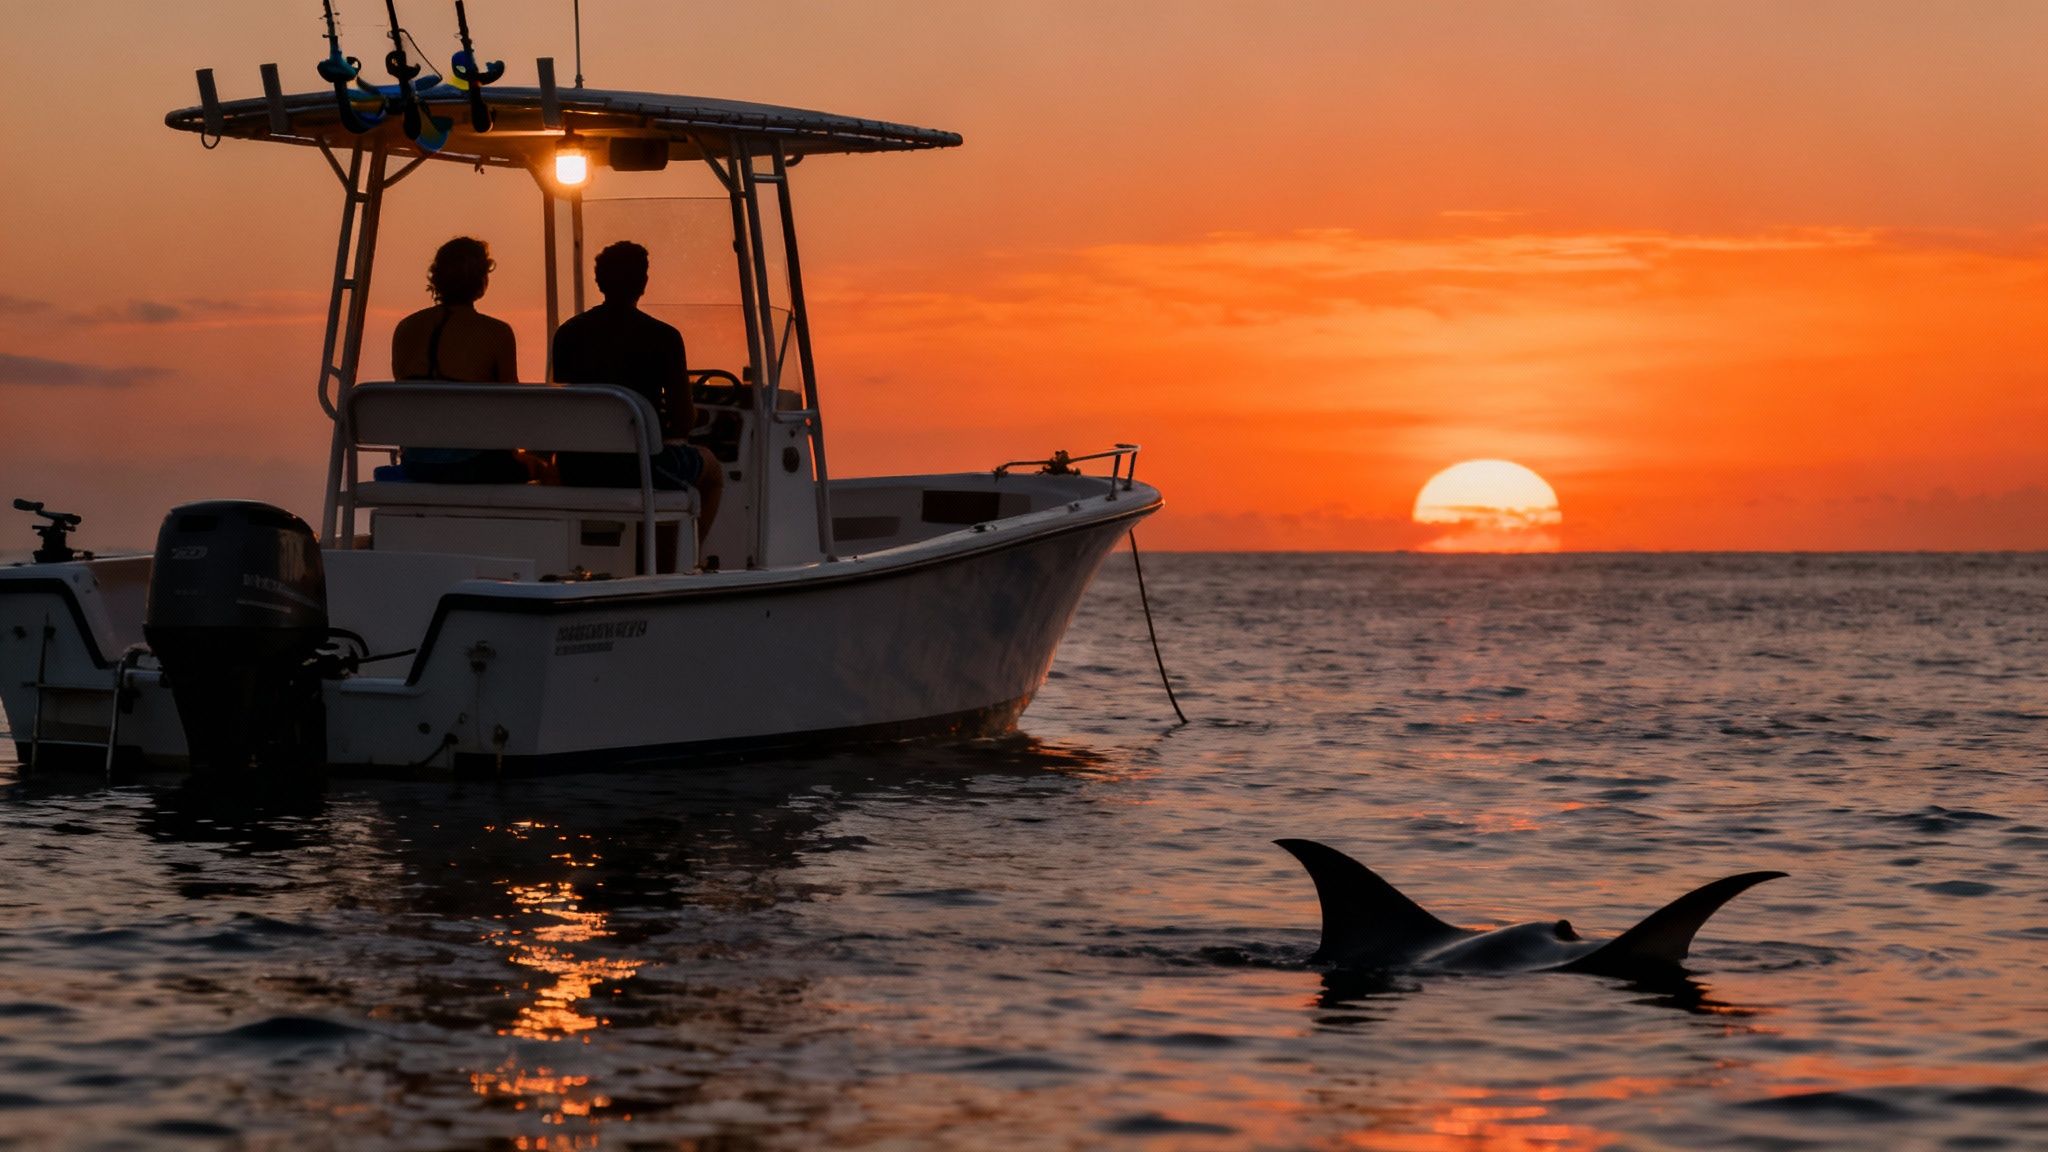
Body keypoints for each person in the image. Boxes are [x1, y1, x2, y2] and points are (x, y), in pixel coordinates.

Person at [552, 241, 724, 542]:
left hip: (577, 468)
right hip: (636, 468)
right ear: (643, 282)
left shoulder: (567, 333)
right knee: (710, 469)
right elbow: (682, 419)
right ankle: (683, 565)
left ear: (598, 280)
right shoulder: (664, 338)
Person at [390, 236, 529, 483]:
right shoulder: (496, 333)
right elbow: (512, 407)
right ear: (481, 280)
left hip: (415, 464)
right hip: (472, 465)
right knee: (539, 468)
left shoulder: (406, 328)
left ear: (437, 278)